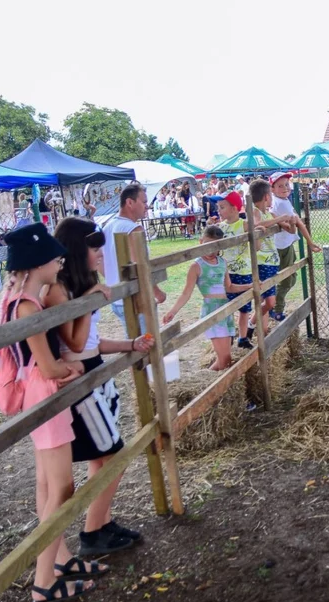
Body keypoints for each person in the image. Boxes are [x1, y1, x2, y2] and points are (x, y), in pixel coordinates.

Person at [0, 223, 97, 602]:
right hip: (45, 394)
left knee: (47, 485)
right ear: (37, 262)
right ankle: (44, 582)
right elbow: (47, 365)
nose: (60, 261)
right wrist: (70, 369)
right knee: (62, 488)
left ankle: (58, 561)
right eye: (55, 257)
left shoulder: (18, 301)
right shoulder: (27, 306)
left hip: (35, 393)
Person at [47, 217, 155, 557]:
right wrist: (88, 300)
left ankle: (102, 522)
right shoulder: (58, 289)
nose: (99, 255)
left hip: (95, 371)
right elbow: (76, 345)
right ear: (79, 249)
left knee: (104, 455)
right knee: (113, 455)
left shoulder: (78, 284)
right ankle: (92, 533)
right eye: (94, 249)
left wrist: (130, 344)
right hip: (80, 381)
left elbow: (91, 343)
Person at [164, 226, 253, 370]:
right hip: (211, 311)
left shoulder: (222, 262)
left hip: (225, 309)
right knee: (224, 360)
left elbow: (229, 287)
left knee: (226, 360)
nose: (211, 251)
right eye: (207, 245)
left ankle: (213, 382)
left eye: (215, 247)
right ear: (200, 242)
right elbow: (186, 293)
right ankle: (208, 382)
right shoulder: (196, 266)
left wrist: (249, 285)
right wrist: (173, 311)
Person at [101, 184, 166, 333]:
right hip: (137, 298)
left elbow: (101, 263)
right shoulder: (133, 229)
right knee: (148, 343)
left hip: (117, 298)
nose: (146, 206)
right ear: (129, 202)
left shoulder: (107, 227)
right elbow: (140, 266)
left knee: (134, 341)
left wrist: (113, 278)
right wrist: (156, 292)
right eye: (143, 202)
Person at [246, 178, 298, 339]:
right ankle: (252, 327)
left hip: (272, 261)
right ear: (266, 197)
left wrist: (292, 222)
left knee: (268, 301)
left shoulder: (270, 213)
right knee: (266, 300)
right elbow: (256, 224)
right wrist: (279, 219)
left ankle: (259, 327)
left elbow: (289, 230)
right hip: (262, 262)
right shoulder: (255, 211)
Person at [267, 172, 320, 320]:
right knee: (286, 279)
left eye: (286, 184)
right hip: (280, 246)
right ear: (272, 189)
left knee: (289, 277)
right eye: (280, 186)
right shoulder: (278, 203)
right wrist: (285, 223)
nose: (285, 188)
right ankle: (275, 309)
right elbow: (292, 226)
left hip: (286, 244)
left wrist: (310, 242)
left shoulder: (284, 201)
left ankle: (272, 306)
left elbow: (297, 221)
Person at [212, 191, 257, 348]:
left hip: (243, 271)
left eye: (222, 207)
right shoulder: (219, 227)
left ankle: (243, 338)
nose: (219, 210)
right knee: (228, 308)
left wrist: (257, 234)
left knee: (244, 309)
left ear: (234, 208)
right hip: (226, 273)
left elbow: (256, 246)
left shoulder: (243, 225)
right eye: (218, 207)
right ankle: (229, 336)